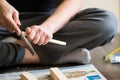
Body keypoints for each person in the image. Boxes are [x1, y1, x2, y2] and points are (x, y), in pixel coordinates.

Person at [0, 0, 118, 67]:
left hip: (44, 20)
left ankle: (10, 50)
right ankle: (43, 56)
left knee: (107, 22)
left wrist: (47, 28)